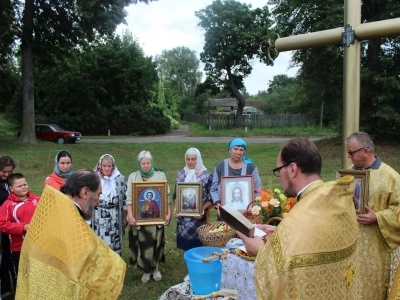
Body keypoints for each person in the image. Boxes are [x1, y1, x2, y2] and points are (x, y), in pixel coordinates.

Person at [237, 137, 359, 299]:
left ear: (292, 169)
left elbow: (283, 278)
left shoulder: (297, 220)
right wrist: (282, 234)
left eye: (279, 170)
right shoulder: (337, 202)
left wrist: (259, 251)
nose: (279, 177)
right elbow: (317, 240)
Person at [15, 170, 126, 299]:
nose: (99, 201)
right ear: (85, 192)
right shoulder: (70, 223)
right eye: (98, 194)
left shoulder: (54, 209)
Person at [345, 131, 400, 299]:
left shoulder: (391, 177)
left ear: (366, 151)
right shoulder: (347, 175)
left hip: (377, 249)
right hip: (350, 245)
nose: (349, 157)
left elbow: (398, 209)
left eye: (351, 152)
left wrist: (378, 217)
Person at [126, 150, 171, 283]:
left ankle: (155, 268)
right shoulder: (133, 177)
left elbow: (166, 198)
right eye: (143, 163)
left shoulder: (160, 175)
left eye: (148, 163)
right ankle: (146, 270)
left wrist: (168, 213)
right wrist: (130, 215)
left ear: (152, 162)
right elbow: (129, 199)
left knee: (156, 243)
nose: (146, 165)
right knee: (143, 244)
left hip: (157, 219)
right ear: (139, 163)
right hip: (140, 220)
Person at [0, 173, 40, 280]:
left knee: (38, 274)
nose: (23, 187)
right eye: (19, 186)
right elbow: (3, 225)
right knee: (23, 276)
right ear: (11, 188)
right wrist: (23, 228)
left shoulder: (38, 199)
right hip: (19, 248)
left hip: (39, 245)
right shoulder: (7, 205)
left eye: (25, 184)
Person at [173, 147, 212, 251]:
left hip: (199, 219)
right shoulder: (181, 175)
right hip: (183, 219)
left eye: (193, 159)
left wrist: (202, 209)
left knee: (199, 247)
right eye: (188, 159)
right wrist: (176, 207)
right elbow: (176, 195)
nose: (190, 162)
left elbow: (212, 198)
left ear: (198, 159)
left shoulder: (206, 176)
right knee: (186, 247)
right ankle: (189, 263)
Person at [92, 154, 127, 256]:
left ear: (113, 166)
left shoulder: (119, 179)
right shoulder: (93, 179)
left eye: (109, 166)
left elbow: (124, 201)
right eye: (104, 166)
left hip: (114, 219)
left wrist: (124, 218)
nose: (107, 168)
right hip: (99, 219)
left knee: (114, 244)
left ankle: (115, 269)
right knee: (100, 244)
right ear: (100, 166)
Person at [210, 138, 261, 207]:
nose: (238, 152)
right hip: (224, 211)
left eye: (241, 150)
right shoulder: (221, 166)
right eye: (235, 149)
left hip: (246, 212)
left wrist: (251, 205)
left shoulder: (251, 167)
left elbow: (258, 191)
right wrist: (218, 203)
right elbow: (213, 189)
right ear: (229, 150)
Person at [0, 156, 16, 299]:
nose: (6, 175)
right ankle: (4, 289)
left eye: (9, 172)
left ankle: (12, 287)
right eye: (4, 172)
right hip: (1, 226)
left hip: (11, 226)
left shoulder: (10, 183)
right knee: (3, 258)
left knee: (10, 257)